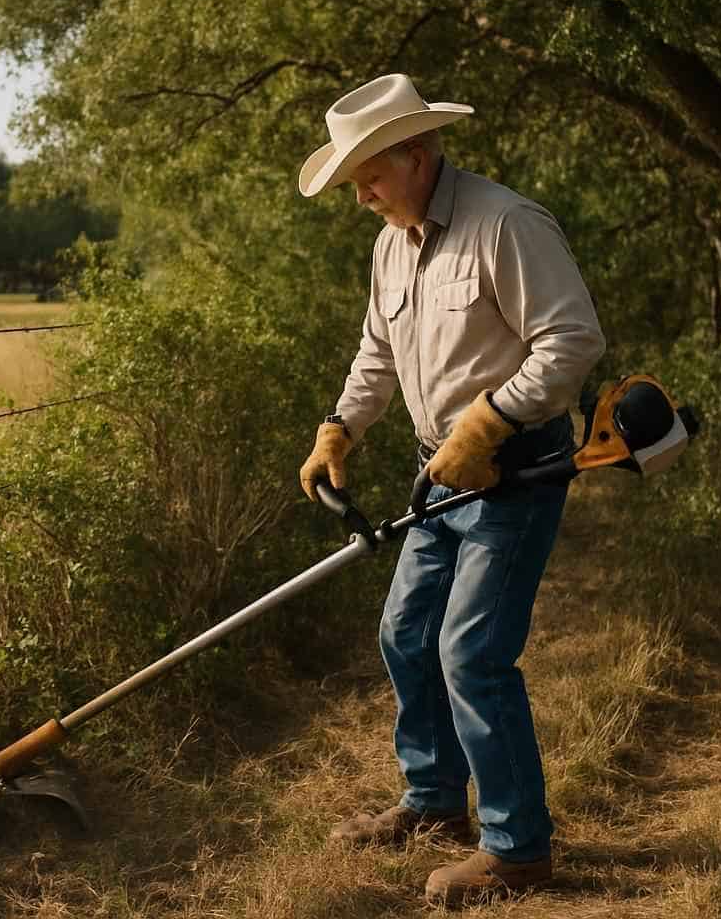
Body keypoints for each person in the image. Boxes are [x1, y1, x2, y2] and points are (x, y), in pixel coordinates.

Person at [296, 74, 605, 906]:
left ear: (418, 153)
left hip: (515, 466)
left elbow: (572, 340)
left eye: (369, 172)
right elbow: (377, 354)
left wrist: (490, 423)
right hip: (439, 469)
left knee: (471, 652)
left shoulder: (507, 223)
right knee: (405, 633)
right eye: (353, 178)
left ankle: (518, 849)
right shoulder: (392, 242)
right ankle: (434, 802)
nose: (359, 194)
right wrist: (340, 429)